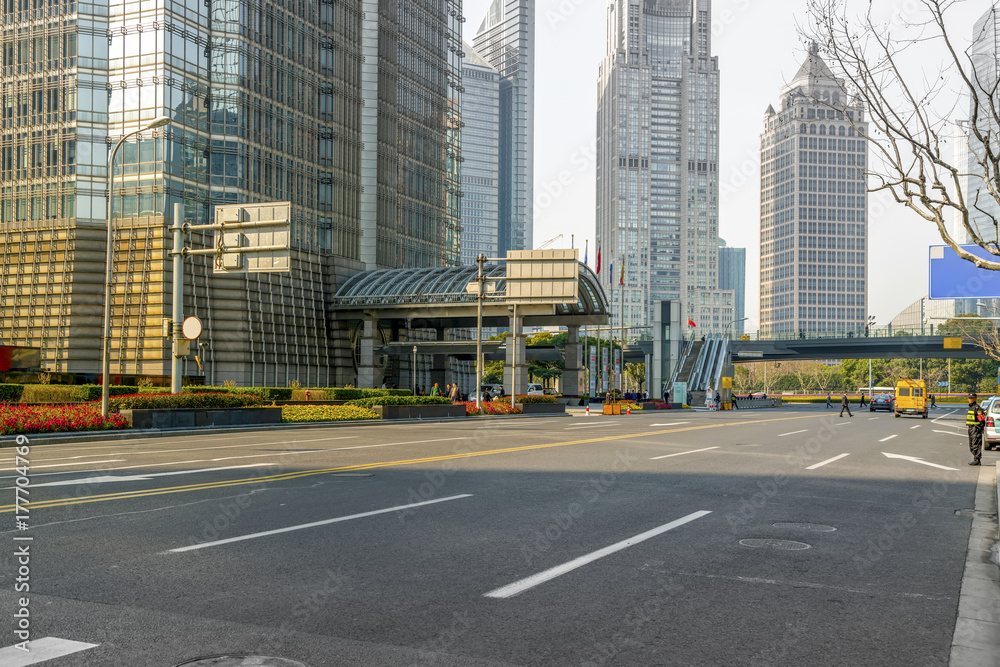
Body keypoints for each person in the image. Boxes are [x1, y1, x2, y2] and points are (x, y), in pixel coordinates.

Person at [966, 392, 985, 466]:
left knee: (975, 444)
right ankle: (975, 458)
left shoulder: (977, 408)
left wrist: (980, 428)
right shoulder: (971, 407)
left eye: (972, 398)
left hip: (976, 429)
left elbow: (981, 419)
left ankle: (977, 460)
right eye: (969, 398)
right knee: (971, 445)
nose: (970, 399)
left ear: (975, 399)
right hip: (971, 428)